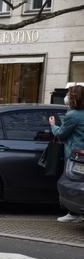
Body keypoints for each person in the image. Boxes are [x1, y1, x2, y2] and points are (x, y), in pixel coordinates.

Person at [48, 84, 84, 222]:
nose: (67, 97)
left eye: (69, 95)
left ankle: (73, 213)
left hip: (75, 154)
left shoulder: (72, 115)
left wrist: (52, 125)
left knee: (72, 182)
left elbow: (61, 133)